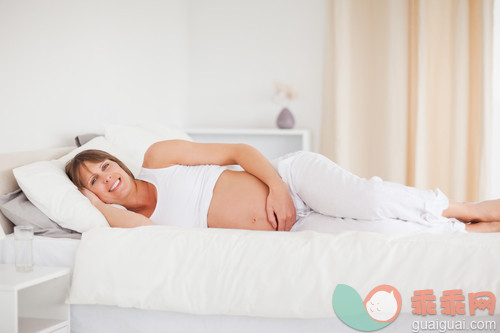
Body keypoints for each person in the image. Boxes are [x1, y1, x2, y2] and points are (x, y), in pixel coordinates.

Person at [65, 140, 500, 234]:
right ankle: (467, 231)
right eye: (95, 184)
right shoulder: (130, 225)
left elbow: (239, 151)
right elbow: (130, 232)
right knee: (379, 234)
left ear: (117, 161)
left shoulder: (158, 159)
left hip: (291, 182)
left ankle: (464, 208)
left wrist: (276, 187)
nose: (107, 179)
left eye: (104, 167)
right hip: (288, 231)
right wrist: (94, 207)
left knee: (371, 199)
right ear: (95, 196)